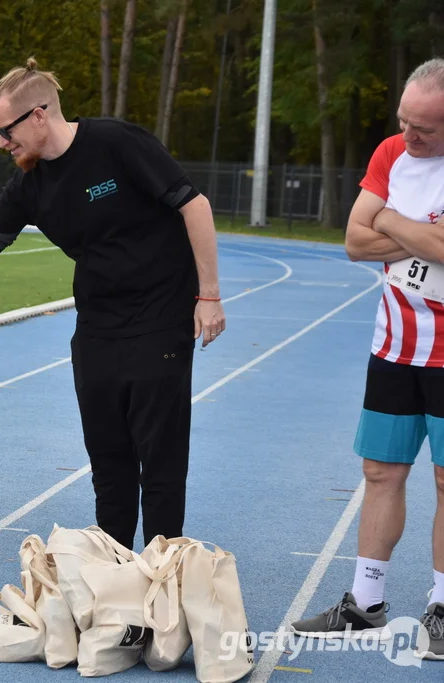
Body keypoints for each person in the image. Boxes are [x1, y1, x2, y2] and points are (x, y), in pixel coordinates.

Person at [0, 58, 226, 552]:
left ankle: (164, 582)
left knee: (161, 460)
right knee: (108, 460)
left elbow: (195, 205)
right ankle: (117, 576)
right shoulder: (30, 184)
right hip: (98, 328)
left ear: (38, 115)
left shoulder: (118, 143)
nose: (1, 142)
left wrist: (208, 296)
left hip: (161, 320)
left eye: (6, 130)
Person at [291, 58, 444, 658]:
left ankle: (441, 607)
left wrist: (386, 217)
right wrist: (420, 232)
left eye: (425, 130)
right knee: (380, 473)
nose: (409, 136)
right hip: (393, 348)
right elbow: (355, 243)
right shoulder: (390, 154)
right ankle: (365, 603)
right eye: (404, 122)